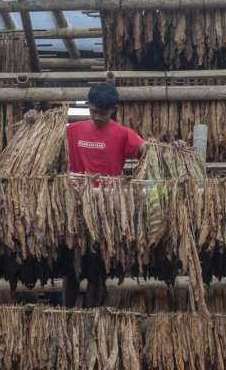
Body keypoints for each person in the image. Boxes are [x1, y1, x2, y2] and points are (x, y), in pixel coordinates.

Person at [24, 83, 148, 308]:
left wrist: (164, 148)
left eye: (103, 112)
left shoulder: (123, 134)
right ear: (88, 106)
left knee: (96, 266)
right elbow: (42, 135)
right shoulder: (72, 130)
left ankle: (92, 314)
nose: (98, 116)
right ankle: (68, 311)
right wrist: (32, 118)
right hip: (74, 203)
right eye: (93, 111)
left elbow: (146, 151)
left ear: (113, 110)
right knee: (69, 267)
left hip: (106, 205)